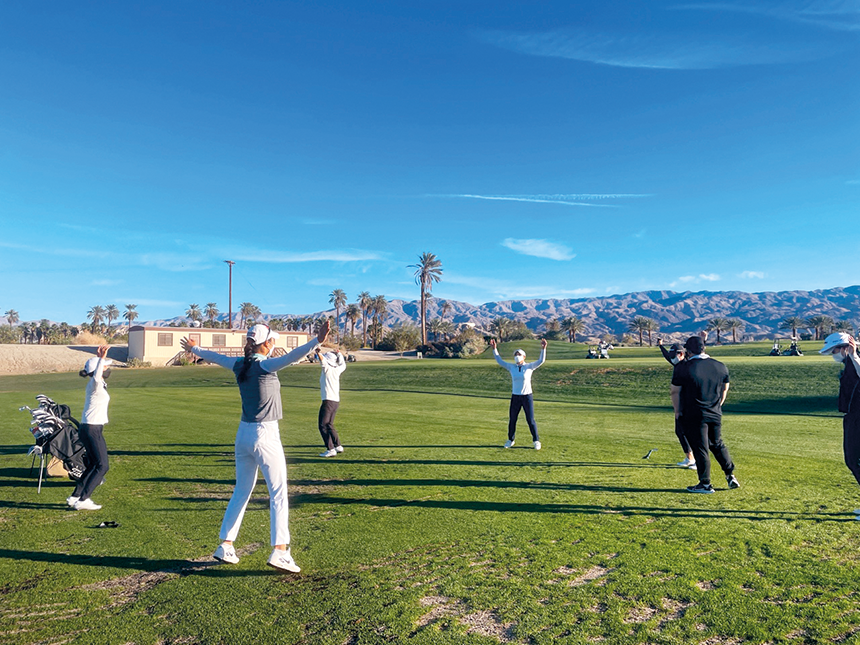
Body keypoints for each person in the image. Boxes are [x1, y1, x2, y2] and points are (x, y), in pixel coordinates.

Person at [180, 321, 329, 572]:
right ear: (266, 343)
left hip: (243, 434)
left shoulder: (240, 364)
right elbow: (293, 356)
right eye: (272, 340)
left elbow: (215, 357)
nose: (274, 344)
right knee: (278, 492)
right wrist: (317, 341)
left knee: (242, 490)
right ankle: (280, 551)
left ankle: (226, 544)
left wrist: (195, 349)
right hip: (265, 435)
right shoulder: (264, 366)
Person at [670, 335, 740, 493]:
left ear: (688, 351)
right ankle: (730, 475)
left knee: (700, 447)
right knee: (717, 444)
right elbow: (724, 389)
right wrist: (718, 405)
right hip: (714, 412)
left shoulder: (683, 367)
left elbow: (675, 391)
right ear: (704, 348)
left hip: (693, 413)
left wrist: (677, 411)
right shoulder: (720, 366)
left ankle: (705, 484)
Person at [819, 332, 860, 518]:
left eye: (834, 350)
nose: (833, 354)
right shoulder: (848, 362)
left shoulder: (855, 360)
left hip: (857, 417)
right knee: (853, 460)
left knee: (853, 460)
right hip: (851, 416)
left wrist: (854, 355)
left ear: (845, 348)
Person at [68, 345, 112, 510]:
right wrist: (101, 358)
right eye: (105, 366)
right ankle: (84, 499)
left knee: (94, 464)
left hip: (90, 428)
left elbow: (97, 375)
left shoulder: (98, 384)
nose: (107, 368)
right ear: (98, 370)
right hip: (92, 429)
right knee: (102, 466)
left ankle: (75, 496)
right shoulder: (95, 384)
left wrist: (99, 359)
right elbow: (96, 375)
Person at [490, 338, 547, 450]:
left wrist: (543, 349)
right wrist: (494, 349)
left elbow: (541, 361)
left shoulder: (529, 366)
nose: (517, 356)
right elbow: (500, 361)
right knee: (512, 419)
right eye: (516, 355)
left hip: (527, 396)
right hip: (515, 396)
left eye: (519, 354)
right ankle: (510, 440)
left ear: (524, 357)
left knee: (530, 420)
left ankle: (536, 441)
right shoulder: (512, 367)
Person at [657, 338, 696, 469]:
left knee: (691, 432)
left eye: (674, 356)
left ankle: (696, 461)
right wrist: (660, 346)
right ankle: (690, 458)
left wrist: (704, 341)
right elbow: (667, 356)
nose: (672, 359)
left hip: (690, 403)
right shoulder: (678, 365)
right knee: (680, 431)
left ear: (681, 354)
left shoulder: (689, 365)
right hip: (681, 403)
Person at [316, 346, 346, 457]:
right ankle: (338, 446)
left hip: (328, 401)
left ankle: (330, 449)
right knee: (329, 424)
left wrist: (318, 352)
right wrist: (339, 354)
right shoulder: (338, 369)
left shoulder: (327, 368)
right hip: (335, 401)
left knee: (322, 425)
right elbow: (343, 364)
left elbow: (322, 361)